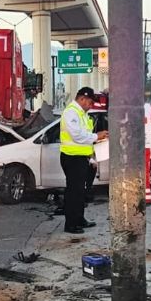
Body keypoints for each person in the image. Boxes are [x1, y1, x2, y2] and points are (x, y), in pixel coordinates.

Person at [60, 86, 107, 233]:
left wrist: (91, 158)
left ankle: (79, 219)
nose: (91, 105)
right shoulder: (71, 113)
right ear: (82, 99)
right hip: (72, 158)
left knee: (80, 192)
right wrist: (96, 136)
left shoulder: (82, 114)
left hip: (82, 158)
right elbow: (78, 136)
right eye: (90, 102)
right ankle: (71, 224)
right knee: (74, 192)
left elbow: (86, 140)